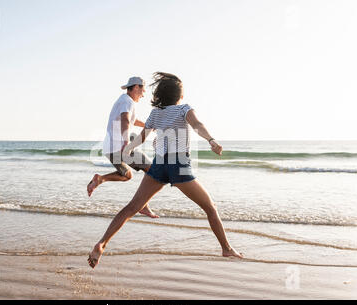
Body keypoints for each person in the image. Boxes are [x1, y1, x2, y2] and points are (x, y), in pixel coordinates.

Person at [88, 72, 243, 268]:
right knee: (210, 208)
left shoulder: (155, 113)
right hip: (179, 168)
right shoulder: (183, 109)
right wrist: (211, 140)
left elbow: (142, 137)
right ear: (179, 95)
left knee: (131, 208)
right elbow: (197, 125)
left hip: (159, 166)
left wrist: (127, 149)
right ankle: (226, 248)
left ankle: (102, 243)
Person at [87, 76, 159, 218]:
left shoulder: (123, 101)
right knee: (153, 171)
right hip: (120, 145)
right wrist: (126, 143)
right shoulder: (127, 101)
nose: (143, 94)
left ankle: (100, 179)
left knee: (126, 175)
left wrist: (148, 125)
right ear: (136, 87)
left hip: (110, 148)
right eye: (143, 90)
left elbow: (131, 120)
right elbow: (125, 119)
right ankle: (143, 205)